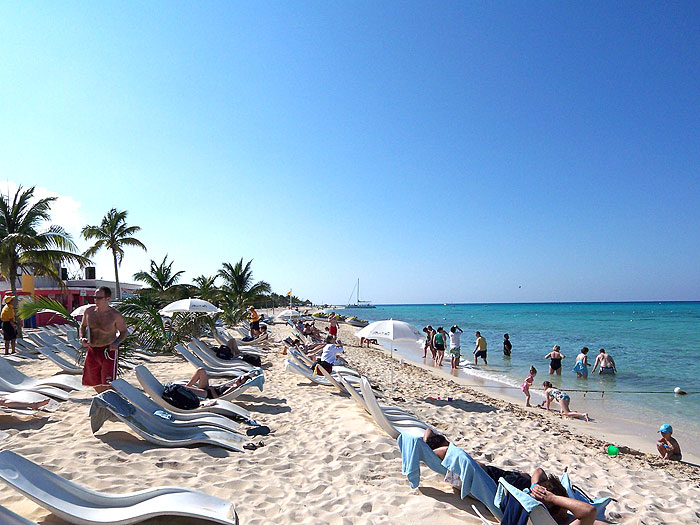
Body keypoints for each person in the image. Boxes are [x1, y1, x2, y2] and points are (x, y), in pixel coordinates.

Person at [422, 429, 596, 525]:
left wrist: (553, 498)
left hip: (498, 481)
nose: (567, 513)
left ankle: (429, 444)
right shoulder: (556, 513)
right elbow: (539, 471)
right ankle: (433, 442)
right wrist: (536, 486)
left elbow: (590, 512)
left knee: (458, 455)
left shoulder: (553, 518)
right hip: (506, 478)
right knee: (458, 455)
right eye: (564, 510)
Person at [79, 286, 128, 393]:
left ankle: (115, 401)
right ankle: (106, 401)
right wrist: (82, 337)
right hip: (92, 350)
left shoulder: (114, 315)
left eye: (99, 298)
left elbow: (124, 332)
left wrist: (116, 342)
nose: (95, 300)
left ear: (107, 299)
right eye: (94, 297)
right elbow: (82, 326)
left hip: (108, 350)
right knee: (94, 382)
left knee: (109, 382)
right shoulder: (89, 312)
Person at [186, 367, 256, 399]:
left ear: (240, 384)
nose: (238, 379)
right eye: (240, 377)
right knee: (201, 370)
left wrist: (212, 390)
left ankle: (186, 387)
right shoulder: (233, 384)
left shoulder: (233, 387)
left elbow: (219, 398)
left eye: (240, 380)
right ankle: (188, 385)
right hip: (208, 389)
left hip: (207, 394)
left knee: (183, 389)